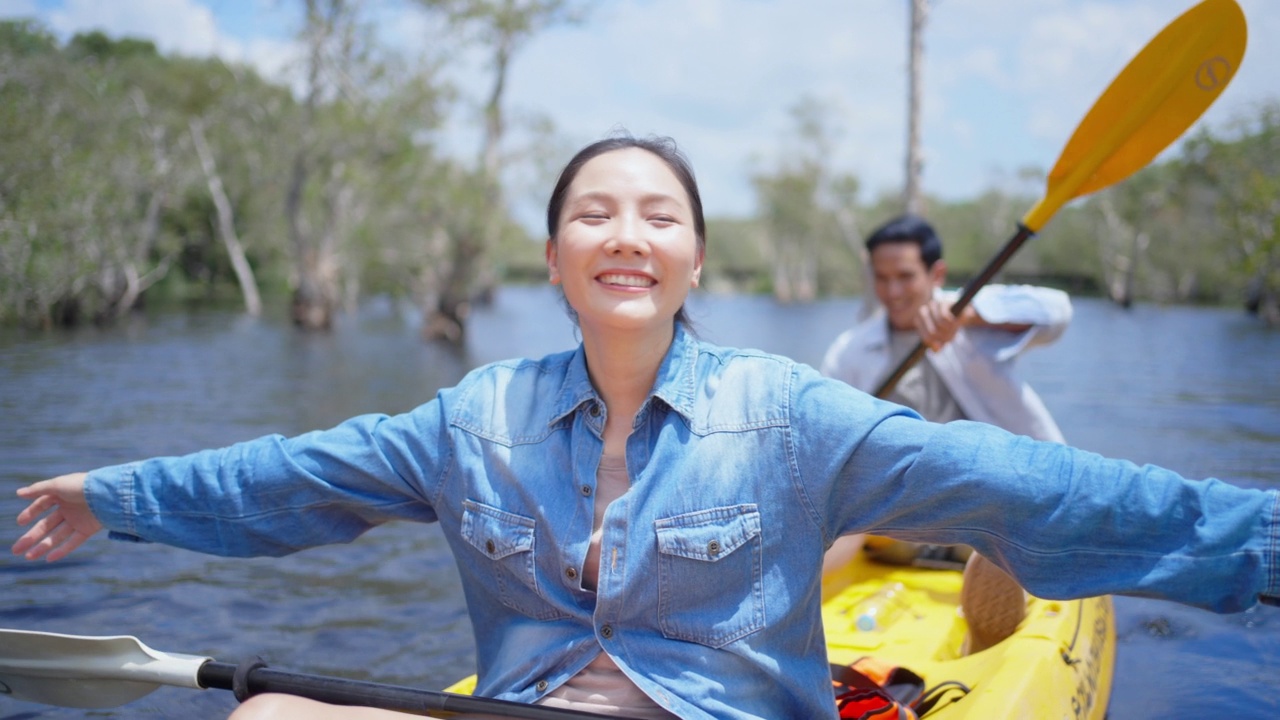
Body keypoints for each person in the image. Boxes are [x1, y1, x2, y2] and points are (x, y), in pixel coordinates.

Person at [11, 135, 1280, 720]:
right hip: (522, 707)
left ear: (691, 260)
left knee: (981, 520)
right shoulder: (476, 417)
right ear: (556, 259)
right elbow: (287, 480)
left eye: (657, 214)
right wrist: (111, 493)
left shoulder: (787, 409)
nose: (627, 232)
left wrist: (1260, 542)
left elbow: (1023, 485)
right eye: (595, 213)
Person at [818, 214, 1073, 647]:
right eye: (882, 279)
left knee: (1001, 525)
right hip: (900, 517)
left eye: (905, 277)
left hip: (982, 506)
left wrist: (968, 315)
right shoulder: (852, 349)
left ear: (936, 274)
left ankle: (993, 610)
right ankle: (784, 597)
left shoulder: (975, 320)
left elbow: (1058, 313)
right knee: (837, 513)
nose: (893, 292)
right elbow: (825, 438)